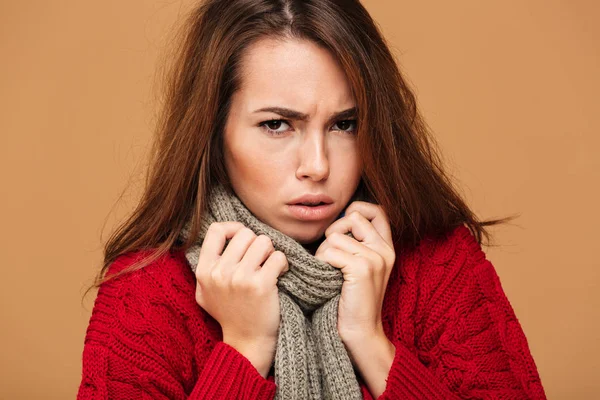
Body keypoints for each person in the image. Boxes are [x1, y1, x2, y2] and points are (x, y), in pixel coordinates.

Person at [77, 0, 547, 399]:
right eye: (277, 125)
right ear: (213, 131)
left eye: (344, 125)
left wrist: (373, 345)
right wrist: (242, 351)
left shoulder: (439, 264)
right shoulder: (147, 290)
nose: (318, 166)